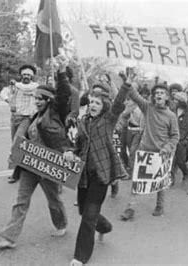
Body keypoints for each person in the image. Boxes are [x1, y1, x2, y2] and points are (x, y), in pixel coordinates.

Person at [0, 55, 72, 250]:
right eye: (35, 98)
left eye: (40, 99)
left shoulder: (55, 115)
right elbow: (24, 139)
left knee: (53, 201)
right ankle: (9, 237)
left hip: (49, 166)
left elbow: (63, 96)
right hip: (30, 166)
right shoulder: (32, 117)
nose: (36, 102)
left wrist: (62, 71)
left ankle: (61, 223)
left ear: (48, 100)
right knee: (21, 201)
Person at [66, 76, 130, 266]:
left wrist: (126, 85)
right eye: (91, 102)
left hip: (101, 175)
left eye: (97, 103)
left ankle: (80, 256)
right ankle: (105, 226)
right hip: (84, 175)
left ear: (104, 106)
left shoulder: (108, 120)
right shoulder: (83, 122)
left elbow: (118, 104)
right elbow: (77, 146)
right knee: (84, 212)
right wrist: (70, 153)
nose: (93, 105)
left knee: (88, 216)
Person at [120, 79, 179, 220]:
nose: (158, 95)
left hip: (161, 155)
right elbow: (135, 96)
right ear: (153, 96)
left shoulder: (171, 116)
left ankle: (160, 205)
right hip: (144, 153)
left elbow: (175, 136)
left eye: (162, 93)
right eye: (156, 93)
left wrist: (167, 147)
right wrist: (127, 82)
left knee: (160, 181)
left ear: (166, 97)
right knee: (137, 181)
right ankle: (130, 208)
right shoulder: (148, 108)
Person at [1, 64, 39, 184]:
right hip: (14, 118)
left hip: (26, 119)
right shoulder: (15, 86)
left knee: (17, 143)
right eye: (24, 74)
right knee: (18, 145)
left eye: (28, 74)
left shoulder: (35, 87)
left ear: (32, 76)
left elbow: (39, 98)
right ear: (21, 75)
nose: (26, 76)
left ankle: (15, 172)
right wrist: (9, 100)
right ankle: (19, 173)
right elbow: (3, 92)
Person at [170, 91, 188, 186]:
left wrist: (187, 140)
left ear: (182, 101)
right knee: (171, 160)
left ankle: (185, 172)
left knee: (180, 161)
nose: (175, 101)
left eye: (177, 100)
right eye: (174, 99)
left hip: (182, 141)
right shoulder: (172, 110)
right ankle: (171, 179)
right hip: (171, 140)